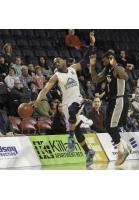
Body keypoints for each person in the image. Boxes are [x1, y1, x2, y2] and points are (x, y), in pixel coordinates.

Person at [34, 32, 96, 167]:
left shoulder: (73, 68)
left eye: (59, 60)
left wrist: (91, 44)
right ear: (55, 66)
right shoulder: (55, 76)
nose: (57, 62)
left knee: (73, 109)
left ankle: (70, 138)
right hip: (67, 103)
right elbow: (44, 90)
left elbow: (85, 60)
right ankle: (88, 152)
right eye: (55, 62)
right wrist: (36, 102)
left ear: (63, 61)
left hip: (77, 99)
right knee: (78, 129)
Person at [89, 50, 132, 166]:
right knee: (108, 126)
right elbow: (95, 79)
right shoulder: (107, 69)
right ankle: (125, 147)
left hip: (120, 99)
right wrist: (92, 67)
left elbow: (126, 77)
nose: (102, 61)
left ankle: (121, 151)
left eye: (105, 59)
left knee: (111, 127)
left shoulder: (118, 68)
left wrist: (114, 65)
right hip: (112, 100)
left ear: (111, 58)